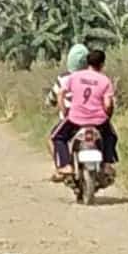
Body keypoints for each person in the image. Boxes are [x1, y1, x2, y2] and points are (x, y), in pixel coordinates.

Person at [53, 49, 118, 178]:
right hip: (98, 121)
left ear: (87, 62)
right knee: (111, 136)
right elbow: (108, 104)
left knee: (57, 137)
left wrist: (64, 111)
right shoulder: (105, 81)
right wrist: (108, 116)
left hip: (75, 119)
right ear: (102, 64)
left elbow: (61, 94)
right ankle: (106, 164)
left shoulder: (75, 77)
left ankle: (66, 165)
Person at [45, 44, 89, 175]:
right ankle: (107, 165)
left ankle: (64, 166)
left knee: (54, 138)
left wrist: (53, 104)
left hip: (72, 119)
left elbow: (54, 97)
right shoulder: (94, 77)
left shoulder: (63, 79)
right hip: (94, 119)